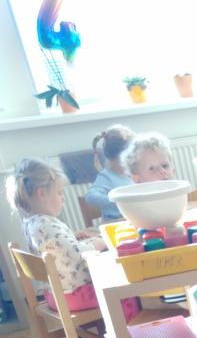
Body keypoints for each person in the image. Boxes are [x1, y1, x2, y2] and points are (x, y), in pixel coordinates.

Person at [7, 157, 108, 313]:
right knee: (119, 289)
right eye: (59, 192)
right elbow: (77, 253)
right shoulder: (46, 225)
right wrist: (101, 241)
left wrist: (71, 236)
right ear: (41, 193)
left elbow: (54, 247)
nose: (63, 197)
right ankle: (125, 327)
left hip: (55, 295)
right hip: (76, 295)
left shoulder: (31, 223)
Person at [85, 124, 134, 221]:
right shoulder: (107, 176)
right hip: (115, 224)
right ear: (122, 156)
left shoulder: (133, 174)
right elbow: (90, 197)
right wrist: (120, 202)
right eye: (131, 155)